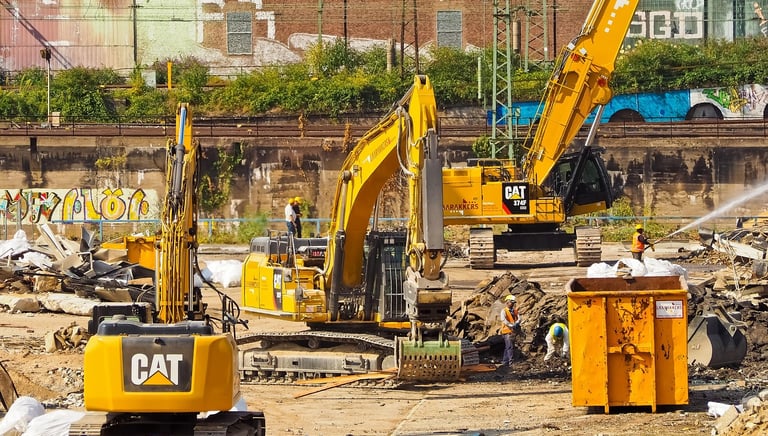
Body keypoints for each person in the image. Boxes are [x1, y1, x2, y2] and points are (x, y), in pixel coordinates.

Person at [500, 294, 522, 367]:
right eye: (511, 302)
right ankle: (511, 362)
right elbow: (503, 320)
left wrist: (517, 323)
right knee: (510, 347)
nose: (512, 304)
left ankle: (505, 361)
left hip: (512, 331)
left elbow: (519, 318)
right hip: (507, 332)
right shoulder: (504, 311)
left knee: (507, 347)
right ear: (507, 302)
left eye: (513, 303)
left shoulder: (515, 311)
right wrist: (511, 325)